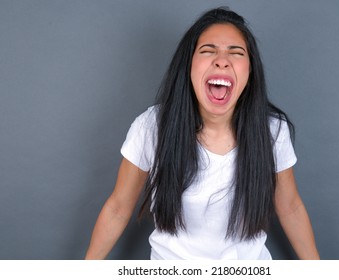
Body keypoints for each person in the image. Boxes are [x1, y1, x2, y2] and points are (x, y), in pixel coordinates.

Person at [85, 7, 319, 260]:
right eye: (208, 51)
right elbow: (118, 208)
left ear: (249, 73)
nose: (221, 60)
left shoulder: (272, 130)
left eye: (236, 52)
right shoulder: (151, 127)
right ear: (189, 68)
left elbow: (291, 208)